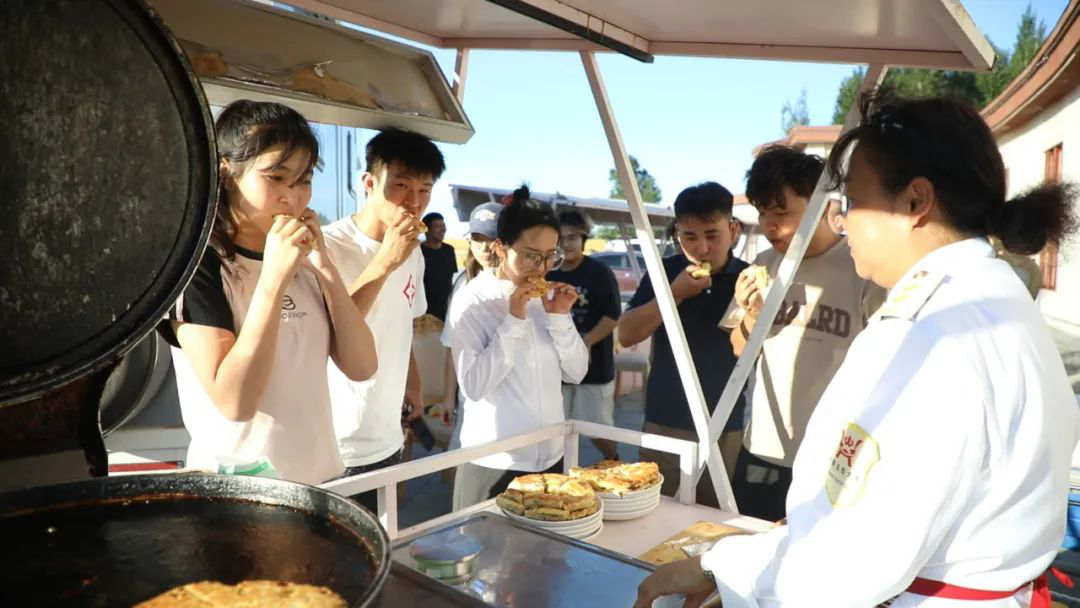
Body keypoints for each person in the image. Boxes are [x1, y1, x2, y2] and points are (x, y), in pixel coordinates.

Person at [635, 91, 1079, 608]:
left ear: (914, 202)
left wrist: (720, 565)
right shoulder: (995, 299)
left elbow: (848, 563)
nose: (843, 222)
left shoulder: (927, 334)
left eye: (852, 203)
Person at [159, 100, 377, 486]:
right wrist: (273, 278)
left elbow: (362, 367)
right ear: (226, 172)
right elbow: (235, 402)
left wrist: (325, 267)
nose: (293, 196)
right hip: (241, 493)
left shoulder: (305, 259)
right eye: (276, 177)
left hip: (322, 479)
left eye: (304, 180)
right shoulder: (198, 266)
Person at [724, 145, 885, 522]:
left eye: (781, 212)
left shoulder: (860, 267)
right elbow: (738, 349)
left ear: (820, 204)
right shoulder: (763, 265)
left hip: (833, 455)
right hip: (763, 448)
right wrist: (751, 317)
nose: (769, 225)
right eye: (762, 212)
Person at [322, 128, 445, 510]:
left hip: (389, 434)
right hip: (336, 442)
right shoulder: (327, 246)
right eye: (402, 186)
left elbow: (403, 323)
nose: (414, 202)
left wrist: (414, 385)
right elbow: (328, 336)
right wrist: (385, 260)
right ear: (369, 183)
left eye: (425, 189)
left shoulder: (414, 251)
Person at [447, 186, 588, 507]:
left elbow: (577, 372)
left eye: (550, 256)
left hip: (551, 457)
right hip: (493, 462)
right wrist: (513, 319)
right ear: (500, 247)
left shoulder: (548, 298)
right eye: (530, 256)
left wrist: (560, 318)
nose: (541, 268)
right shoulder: (473, 300)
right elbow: (474, 387)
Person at [617, 182, 749, 507]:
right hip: (664, 420)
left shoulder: (748, 279)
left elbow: (751, 349)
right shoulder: (665, 272)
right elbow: (627, 334)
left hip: (724, 423)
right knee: (654, 511)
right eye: (690, 237)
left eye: (712, 235)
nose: (702, 248)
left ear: (733, 230)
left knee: (713, 518)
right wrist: (674, 294)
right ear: (677, 235)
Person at [546, 210, 622, 461]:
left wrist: (586, 343)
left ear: (583, 239)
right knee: (556, 429)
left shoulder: (599, 272)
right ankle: (562, 472)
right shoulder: (548, 273)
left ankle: (615, 463)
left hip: (595, 367)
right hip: (556, 367)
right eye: (561, 239)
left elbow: (612, 315)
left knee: (597, 429)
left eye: (572, 238)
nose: (566, 244)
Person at [437, 202, 502, 458]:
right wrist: (448, 397)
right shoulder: (462, 284)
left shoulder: (525, 286)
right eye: (477, 239)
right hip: (472, 400)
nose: (484, 248)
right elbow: (451, 347)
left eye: (492, 239)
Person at [419, 211, 458, 322]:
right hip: (424, 312)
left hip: (446, 310)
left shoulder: (449, 250)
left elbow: (450, 278)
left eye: (443, 225)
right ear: (426, 229)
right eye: (438, 226)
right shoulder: (418, 251)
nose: (443, 229)